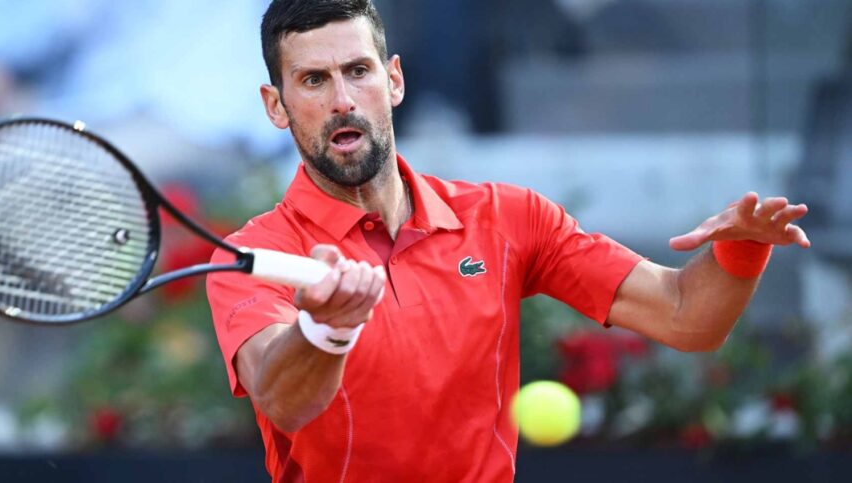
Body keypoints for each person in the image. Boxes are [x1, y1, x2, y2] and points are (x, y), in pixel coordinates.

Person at [205, 1, 811, 480]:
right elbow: (283, 401)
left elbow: (687, 318)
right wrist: (326, 328)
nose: (341, 101)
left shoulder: (508, 216)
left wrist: (741, 247)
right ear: (276, 106)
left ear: (393, 81)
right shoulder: (249, 256)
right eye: (313, 80)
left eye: (357, 71)